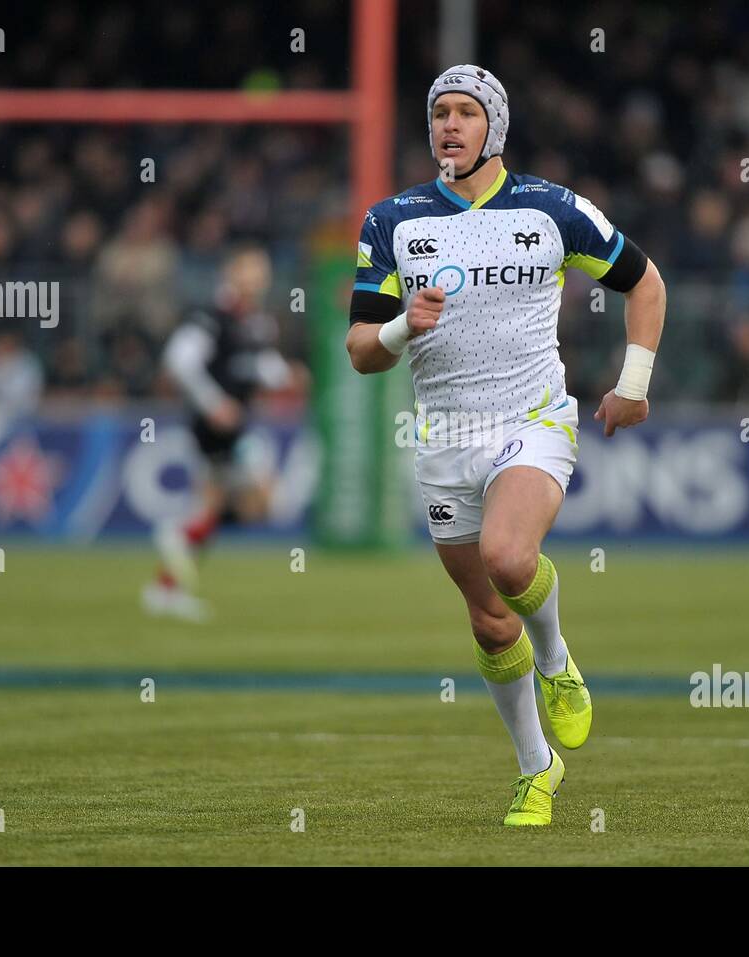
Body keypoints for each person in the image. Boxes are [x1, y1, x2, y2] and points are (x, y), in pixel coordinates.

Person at [346, 65, 667, 826]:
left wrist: (634, 383)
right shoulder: (393, 221)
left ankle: (557, 659)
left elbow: (645, 283)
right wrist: (400, 326)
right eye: (439, 114)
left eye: (465, 113)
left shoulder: (552, 208)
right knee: (490, 621)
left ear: (495, 125)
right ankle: (537, 767)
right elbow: (361, 349)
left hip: (532, 420)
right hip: (445, 436)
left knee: (510, 555)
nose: (449, 126)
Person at [143, 245, 291, 621]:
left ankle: (166, 585)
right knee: (262, 498)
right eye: (252, 271)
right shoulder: (211, 317)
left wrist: (287, 376)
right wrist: (214, 404)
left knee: (233, 504)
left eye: (263, 273)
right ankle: (177, 538)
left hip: (239, 424)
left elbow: (258, 365)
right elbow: (179, 362)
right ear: (232, 274)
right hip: (214, 426)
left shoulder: (254, 322)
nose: (259, 280)